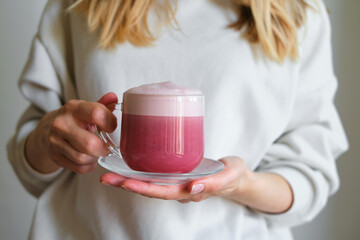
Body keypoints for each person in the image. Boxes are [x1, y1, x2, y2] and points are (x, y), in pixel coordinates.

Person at [7, 0, 348, 239]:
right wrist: (47, 141)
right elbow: (31, 168)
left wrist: (240, 183)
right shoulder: (78, 6)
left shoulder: (298, 12)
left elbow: (309, 175)